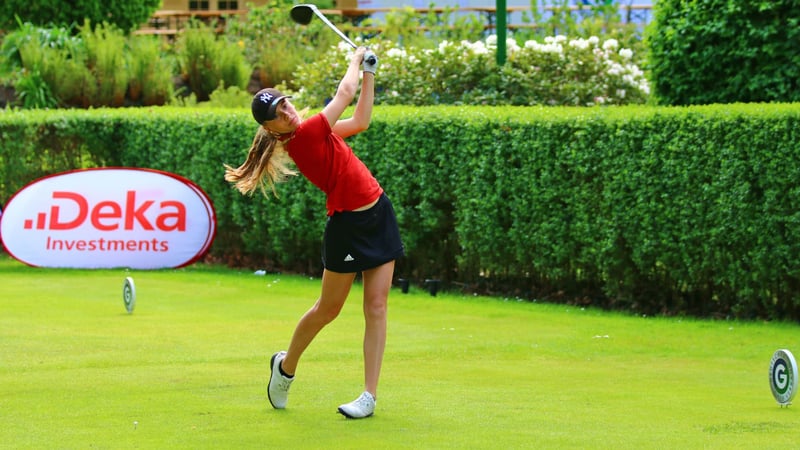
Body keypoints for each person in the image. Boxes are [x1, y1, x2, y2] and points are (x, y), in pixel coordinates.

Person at [224, 47, 404, 419]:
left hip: (379, 214)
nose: (287, 111)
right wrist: (355, 60)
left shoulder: (313, 131)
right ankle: (286, 367)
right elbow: (342, 96)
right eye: (278, 113)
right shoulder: (304, 136)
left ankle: (369, 396)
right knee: (328, 310)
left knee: (377, 306)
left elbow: (361, 120)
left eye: (286, 104)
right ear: (271, 128)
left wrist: (369, 73)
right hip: (347, 228)